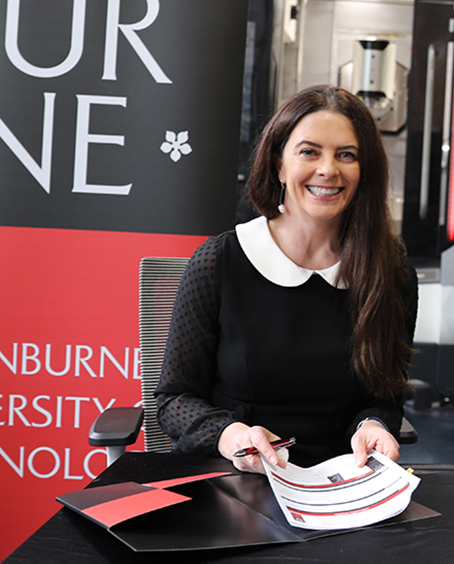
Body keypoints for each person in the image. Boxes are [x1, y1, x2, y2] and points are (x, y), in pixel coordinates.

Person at [155, 84, 417, 473]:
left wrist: (374, 425)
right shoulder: (219, 260)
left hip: (341, 479)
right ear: (279, 164)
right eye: (309, 152)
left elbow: (384, 397)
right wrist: (233, 437)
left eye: (346, 155)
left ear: (365, 172)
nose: (328, 169)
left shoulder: (390, 272)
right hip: (231, 475)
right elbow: (174, 401)